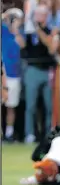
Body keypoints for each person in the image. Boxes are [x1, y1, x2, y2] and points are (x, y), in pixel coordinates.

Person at [21, 4, 58, 143]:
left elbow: (50, 47)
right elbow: (22, 45)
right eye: (37, 15)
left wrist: (38, 30)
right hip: (32, 70)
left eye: (42, 15)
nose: (39, 18)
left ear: (46, 16)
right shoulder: (29, 33)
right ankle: (29, 133)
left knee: (49, 106)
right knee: (30, 105)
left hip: (47, 71)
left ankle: (49, 133)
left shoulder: (50, 31)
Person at [1, 8, 23, 142]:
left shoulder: (21, 33)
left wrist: (15, 30)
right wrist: (6, 16)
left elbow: (22, 44)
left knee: (11, 106)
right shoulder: (3, 30)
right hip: (2, 72)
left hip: (14, 74)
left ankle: (9, 133)